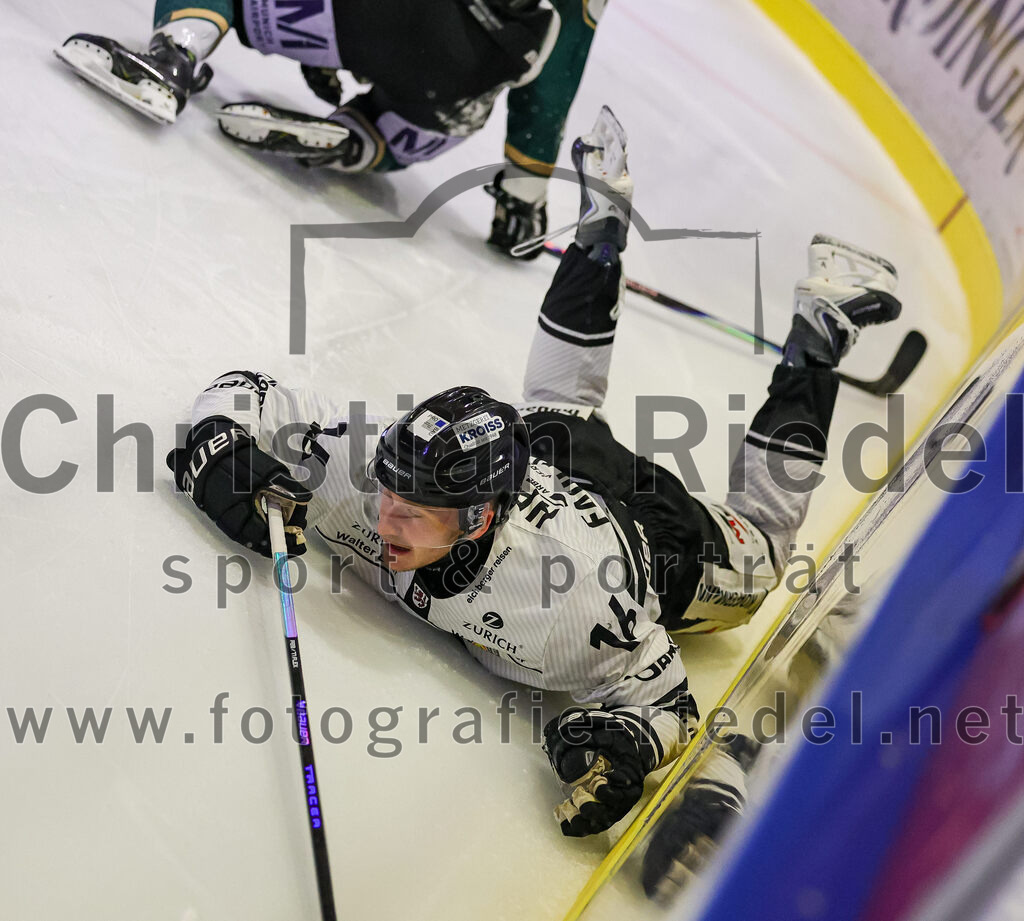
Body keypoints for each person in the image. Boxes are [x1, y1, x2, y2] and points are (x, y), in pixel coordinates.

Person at [165, 107, 902, 838]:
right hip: (548, 451)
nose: (384, 517)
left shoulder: (577, 603)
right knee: (554, 408)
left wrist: (620, 748)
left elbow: (666, 696)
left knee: (762, 555)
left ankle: (818, 339)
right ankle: (600, 233)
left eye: (414, 511)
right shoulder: (369, 466)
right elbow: (247, 392)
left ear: (478, 517)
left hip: (648, 536)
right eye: (389, 491)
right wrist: (220, 449)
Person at [55, 0, 605, 259]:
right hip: (456, 77)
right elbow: (556, 75)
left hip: (360, 14)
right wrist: (521, 199)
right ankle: (366, 138)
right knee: (469, 103)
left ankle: (177, 54)